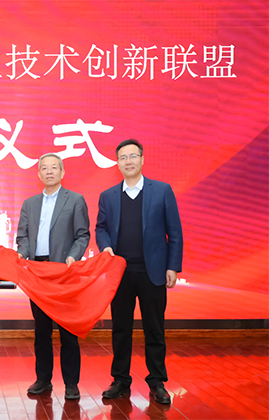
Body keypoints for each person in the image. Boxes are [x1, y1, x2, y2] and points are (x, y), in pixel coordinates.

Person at [95, 139, 183, 405]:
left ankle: (157, 381)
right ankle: (120, 380)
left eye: (133, 156)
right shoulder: (108, 195)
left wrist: (172, 266)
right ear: (117, 163)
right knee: (121, 328)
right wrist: (106, 246)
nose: (128, 161)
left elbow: (175, 232)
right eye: (123, 157)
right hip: (120, 272)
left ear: (142, 159)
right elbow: (101, 228)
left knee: (154, 329)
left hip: (152, 272)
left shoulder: (162, 190)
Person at [16, 153, 90, 400]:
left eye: (54, 168)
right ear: (38, 174)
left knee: (68, 330)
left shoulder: (75, 200)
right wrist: (22, 253)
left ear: (62, 172)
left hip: (64, 272)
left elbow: (82, 235)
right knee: (42, 331)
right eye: (44, 168)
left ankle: (71, 383)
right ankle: (43, 380)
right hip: (38, 273)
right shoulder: (29, 204)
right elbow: (23, 236)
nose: (49, 172)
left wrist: (73, 256)